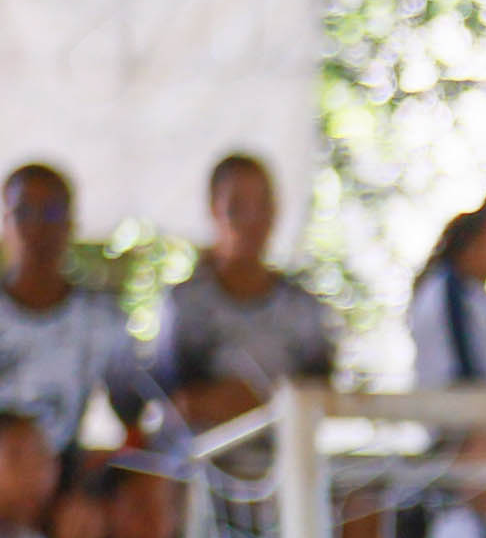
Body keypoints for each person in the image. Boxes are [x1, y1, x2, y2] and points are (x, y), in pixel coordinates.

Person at [150, 152, 338, 432]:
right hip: (199, 466)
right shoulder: (185, 306)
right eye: (237, 207)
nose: (253, 221)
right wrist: (268, 403)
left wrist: (242, 403)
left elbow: (321, 401)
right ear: (214, 210)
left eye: (262, 205)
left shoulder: (303, 309)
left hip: (286, 465)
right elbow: (174, 404)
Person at [0, 164, 155, 464]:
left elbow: (134, 417)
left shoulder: (101, 319)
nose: (37, 229)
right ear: (5, 225)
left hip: (63, 474)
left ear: (71, 225)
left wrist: (103, 475)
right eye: (24, 213)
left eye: (52, 213)